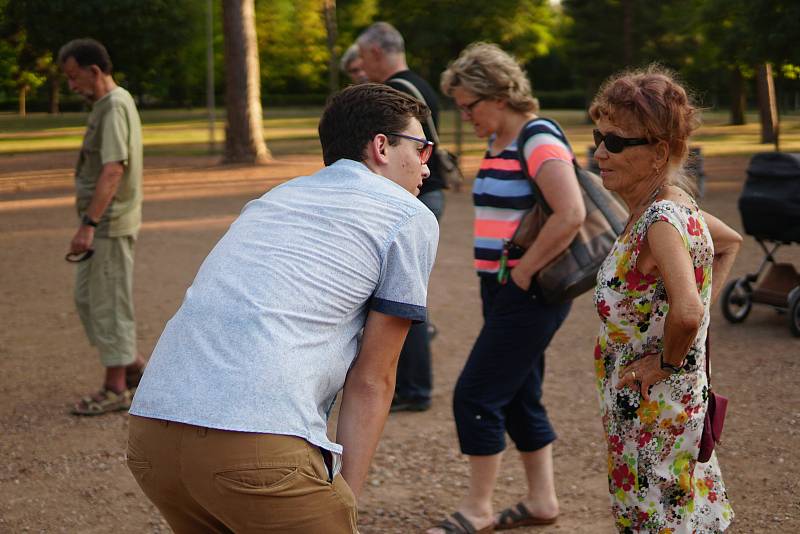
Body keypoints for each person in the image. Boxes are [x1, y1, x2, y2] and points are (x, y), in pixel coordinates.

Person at [126, 83, 439, 533]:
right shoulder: (406, 215)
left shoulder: (276, 197)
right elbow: (373, 378)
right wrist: (345, 496)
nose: (427, 167)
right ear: (382, 146)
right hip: (255, 446)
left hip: (151, 434)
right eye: (423, 148)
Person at [429, 43, 586, 533]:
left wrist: (522, 272)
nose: (465, 116)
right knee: (519, 392)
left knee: (475, 394)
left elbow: (572, 213)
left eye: (468, 106)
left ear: (495, 94)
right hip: (501, 288)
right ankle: (543, 502)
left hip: (528, 291)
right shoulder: (501, 140)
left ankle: (478, 508)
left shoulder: (537, 139)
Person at [590, 66, 739, 532]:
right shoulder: (675, 205)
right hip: (659, 406)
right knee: (678, 511)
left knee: (659, 519)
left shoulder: (660, 219)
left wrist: (667, 362)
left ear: (659, 151)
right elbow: (729, 241)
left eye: (615, 143)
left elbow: (689, 312)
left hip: (654, 408)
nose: (599, 153)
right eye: (599, 137)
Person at [358, 21, 445, 412]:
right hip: (428, 192)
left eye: (362, 57)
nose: (361, 66)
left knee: (399, 297)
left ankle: (413, 388)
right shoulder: (421, 84)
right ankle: (412, 385)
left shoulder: (396, 91)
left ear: (376, 52)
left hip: (414, 194)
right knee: (404, 293)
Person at [58, 38, 146, 416]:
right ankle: (134, 367)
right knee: (89, 298)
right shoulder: (109, 104)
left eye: (74, 78)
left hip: (108, 224)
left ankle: (115, 388)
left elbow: (113, 169)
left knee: (108, 301)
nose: (71, 86)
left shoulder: (113, 106)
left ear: (95, 71)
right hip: (103, 223)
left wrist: (89, 224)